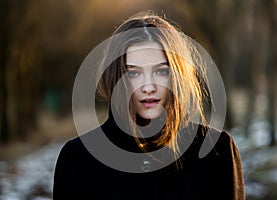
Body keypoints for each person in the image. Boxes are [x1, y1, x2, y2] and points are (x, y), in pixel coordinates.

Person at [53, 11, 245, 200]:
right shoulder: (77, 159)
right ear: (115, 77)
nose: (149, 87)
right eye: (134, 73)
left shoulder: (216, 150)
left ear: (177, 75)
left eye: (161, 71)